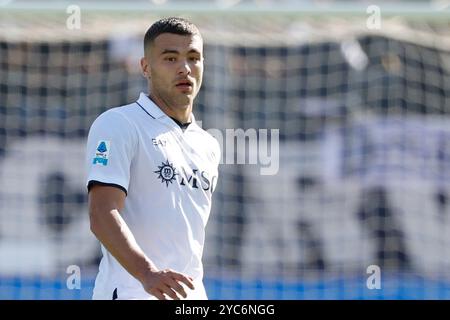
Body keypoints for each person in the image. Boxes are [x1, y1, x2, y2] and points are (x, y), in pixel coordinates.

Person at [85, 17, 220, 300]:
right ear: (146, 67)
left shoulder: (208, 145)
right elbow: (102, 214)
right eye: (170, 58)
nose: (185, 68)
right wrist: (147, 273)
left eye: (193, 58)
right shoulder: (118, 124)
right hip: (131, 293)